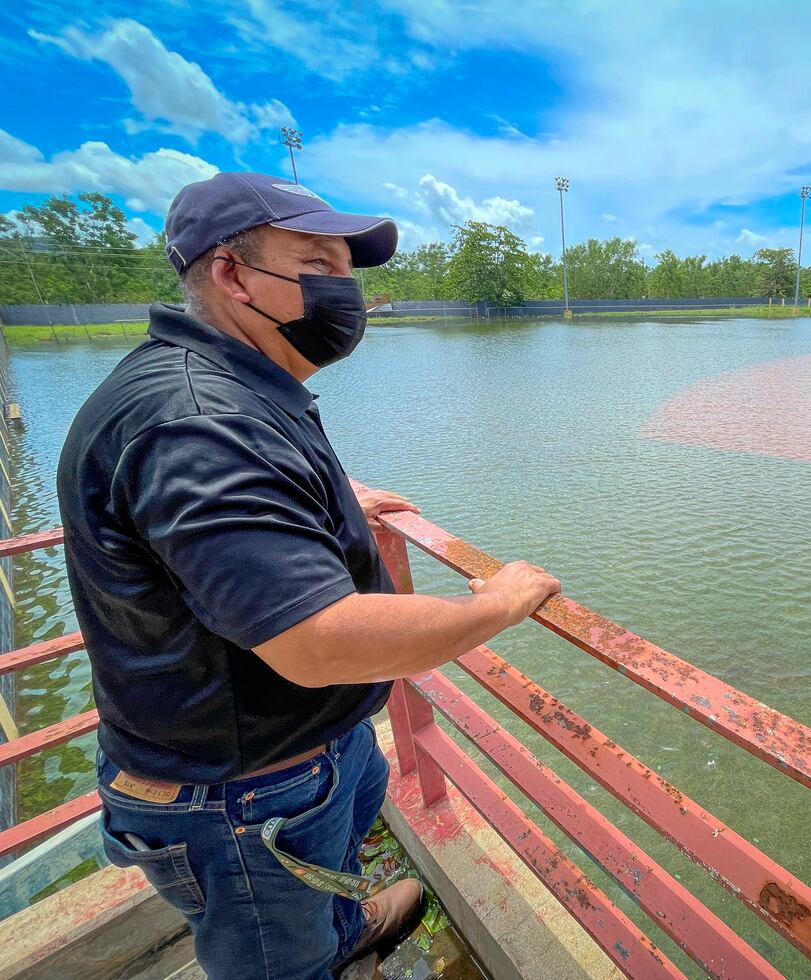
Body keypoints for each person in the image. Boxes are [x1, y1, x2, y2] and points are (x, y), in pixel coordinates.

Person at [56, 172, 561, 979]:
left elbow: (230, 518)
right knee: (274, 960)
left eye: (348, 268)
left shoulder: (224, 382)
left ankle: (340, 927)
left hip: (292, 753)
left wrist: (331, 501)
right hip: (241, 796)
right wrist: (496, 605)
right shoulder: (198, 421)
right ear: (231, 273)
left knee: (322, 876)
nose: (345, 287)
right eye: (318, 261)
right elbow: (316, 643)